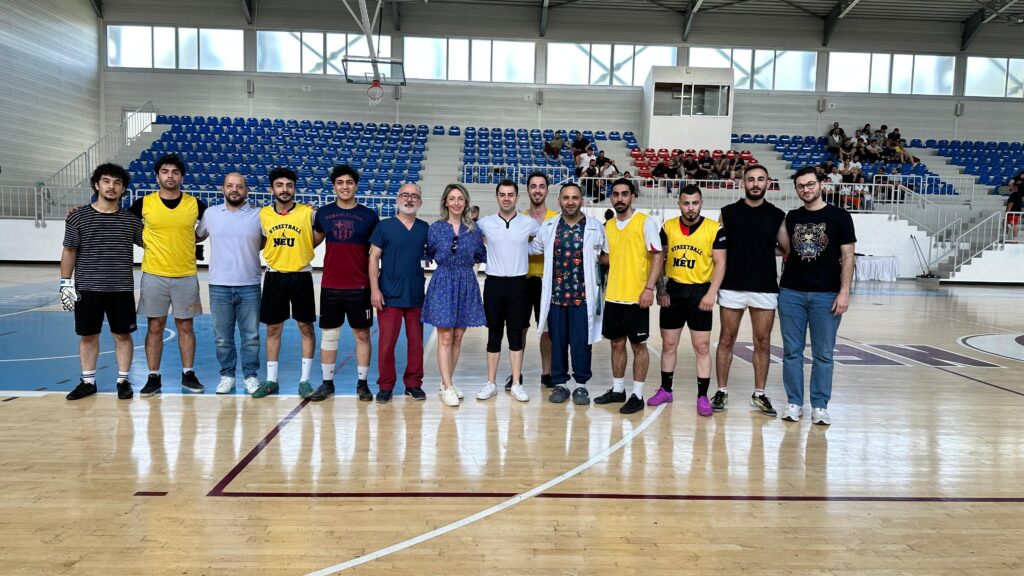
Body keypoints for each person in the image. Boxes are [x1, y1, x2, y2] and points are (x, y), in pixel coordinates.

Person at [779, 168, 857, 425]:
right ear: (796, 189)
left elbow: (848, 256)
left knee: (823, 354)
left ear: (821, 184)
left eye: (810, 184)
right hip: (791, 292)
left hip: (827, 294)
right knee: (792, 352)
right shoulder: (792, 217)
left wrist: (844, 291)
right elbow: (784, 248)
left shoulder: (840, 216)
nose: (806, 189)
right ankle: (794, 402)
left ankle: (820, 406)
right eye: (801, 186)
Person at [61, 163, 143, 401]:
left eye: (117, 183)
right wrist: (65, 283)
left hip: (121, 289)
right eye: (106, 181)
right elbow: (69, 250)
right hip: (87, 288)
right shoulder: (78, 217)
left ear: (123, 189)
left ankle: (123, 381)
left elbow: (152, 243)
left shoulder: (131, 221)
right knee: (88, 336)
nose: (111, 186)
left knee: (123, 335)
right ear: (97, 185)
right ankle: (88, 382)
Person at [713, 164, 789, 417]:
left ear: (768, 182)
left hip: (764, 286)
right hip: (732, 285)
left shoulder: (777, 214)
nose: (755, 183)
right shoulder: (728, 213)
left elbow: (786, 248)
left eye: (760, 179)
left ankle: (760, 393)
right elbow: (718, 248)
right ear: (743, 183)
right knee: (726, 339)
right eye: (751, 179)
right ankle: (721, 391)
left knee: (763, 341)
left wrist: (763, 249)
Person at [129, 153, 207, 396]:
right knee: (155, 326)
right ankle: (153, 376)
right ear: (157, 177)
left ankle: (188, 374)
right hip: (154, 274)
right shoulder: (144, 203)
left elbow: (213, 224)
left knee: (186, 325)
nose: (170, 176)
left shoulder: (195, 204)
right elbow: (123, 224)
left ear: (181, 177)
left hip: (186, 275)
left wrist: (193, 240)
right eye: (165, 171)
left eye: (175, 172)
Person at [651, 185, 726, 416]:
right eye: (686, 203)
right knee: (668, 345)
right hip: (673, 292)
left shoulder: (714, 229)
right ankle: (666, 389)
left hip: (700, 293)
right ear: (679, 204)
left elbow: (721, 263)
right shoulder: (668, 227)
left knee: (701, 347)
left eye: (695, 203)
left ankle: (702, 396)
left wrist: (711, 294)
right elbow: (659, 260)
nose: (691, 208)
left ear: (701, 203)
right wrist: (661, 290)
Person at [307, 165, 379, 402]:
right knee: (329, 335)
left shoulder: (369, 216)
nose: (345, 187)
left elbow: (375, 253)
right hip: (331, 285)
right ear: (334, 186)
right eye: (340, 182)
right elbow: (311, 242)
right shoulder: (324, 213)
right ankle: (327, 384)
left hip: (359, 286)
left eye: (349, 182)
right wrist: (303, 218)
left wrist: (376, 285)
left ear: (356, 186)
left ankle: (362, 384)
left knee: (362, 335)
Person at [530, 183, 605, 405]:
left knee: (582, 342)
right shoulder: (549, 226)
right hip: (556, 297)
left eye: (574, 198)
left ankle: (581, 386)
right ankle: (560, 384)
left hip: (583, 297)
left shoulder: (595, 227)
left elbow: (606, 254)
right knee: (558, 342)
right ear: (559, 201)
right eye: (566, 198)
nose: (570, 202)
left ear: (581, 200)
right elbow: (533, 248)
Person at [593, 178, 664, 414]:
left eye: (624, 194)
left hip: (637, 297)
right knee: (616, 344)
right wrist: (587, 252)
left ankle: (638, 394)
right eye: (615, 194)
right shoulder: (608, 226)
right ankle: (618, 389)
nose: (620, 198)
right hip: (613, 295)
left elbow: (657, 256)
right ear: (611, 197)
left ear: (632, 196)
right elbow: (607, 257)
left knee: (638, 346)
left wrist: (649, 289)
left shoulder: (645, 223)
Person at [252, 168, 322, 398]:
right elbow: (261, 241)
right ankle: (272, 380)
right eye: (280, 185)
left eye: (289, 185)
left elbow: (319, 234)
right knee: (273, 328)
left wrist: (307, 246)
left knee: (306, 327)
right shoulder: (263, 214)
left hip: (301, 275)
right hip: (274, 275)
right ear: (271, 189)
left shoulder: (308, 213)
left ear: (294, 188)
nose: (285, 190)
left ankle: (305, 381)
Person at [195, 173, 263, 395]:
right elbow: (196, 236)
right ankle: (227, 376)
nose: (234, 190)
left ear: (247, 190)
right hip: (219, 286)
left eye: (239, 186)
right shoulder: (211, 214)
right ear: (223, 189)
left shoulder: (259, 215)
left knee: (251, 337)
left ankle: (251, 376)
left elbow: (269, 238)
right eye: (230, 185)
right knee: (223, 338)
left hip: (250, 285)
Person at [476, 179, 541, 403]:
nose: (506, 198)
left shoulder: (528, 223)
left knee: (515, 334)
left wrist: (527, 249)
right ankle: (491, 383)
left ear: (516, 197)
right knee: (494, 334)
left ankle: (516, 383)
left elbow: (543, 240)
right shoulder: (485, 223)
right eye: (502, 194)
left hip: (518, 284)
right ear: (497, 197)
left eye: (510, 194)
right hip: (493, 284)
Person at [423, 184, 487, 407]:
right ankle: (448, 386)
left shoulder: (474, 230)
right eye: (452, 198)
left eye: (461, 198)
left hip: (466, 281)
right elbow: (430, 253)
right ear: (445, 202)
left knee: (458, 336)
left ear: (466, 202)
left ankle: (446, 382)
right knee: (445, 336)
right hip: (443, 282)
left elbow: (479, 254)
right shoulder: (435, 229)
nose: (457, 203)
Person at [366, 183, 429, 403]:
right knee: (386, 344)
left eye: (414, 196)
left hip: (415, 294)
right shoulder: (384, 227)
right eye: (405, 195)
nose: (409, 199)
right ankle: (385, 385)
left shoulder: (425, 228)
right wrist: (375, 289)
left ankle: (413, 384)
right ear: (397, 199)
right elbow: (373, 257)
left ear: (420, 202)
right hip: (389, 295)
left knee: (416, 344)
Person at [520, 172, 559, 391]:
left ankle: (547, 373)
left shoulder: (556, 218)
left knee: (547, 331)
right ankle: (516, 373)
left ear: (547, 190)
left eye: (541, 186)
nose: (537, 190)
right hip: (524, 280)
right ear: (528, 190)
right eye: (533, 186)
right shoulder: (520, 219)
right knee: (520, 328)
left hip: (549, 281)